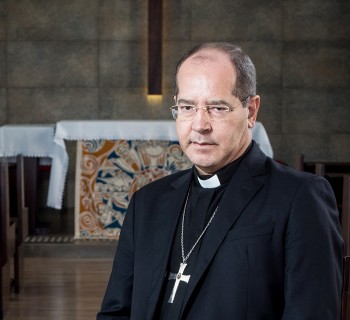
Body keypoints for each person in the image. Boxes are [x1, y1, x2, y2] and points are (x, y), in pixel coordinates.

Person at [97, 42, 343, 319]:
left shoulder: (300, 197)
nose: (199, 125)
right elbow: (115, 312)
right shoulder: (148, 202)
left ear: (251, 111)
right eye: (187, 107)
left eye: (217, 108)